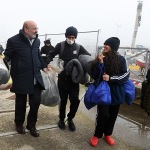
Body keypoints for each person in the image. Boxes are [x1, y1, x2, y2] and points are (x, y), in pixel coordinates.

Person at [4, 20, 48, 137]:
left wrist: (44, 65)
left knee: (36, 103)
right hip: (20, 78)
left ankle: (31, 125)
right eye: (34, 28)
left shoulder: (37, 40)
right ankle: (19, 123)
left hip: (35, 78)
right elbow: (6, 56)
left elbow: (38, 55)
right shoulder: (13, 41)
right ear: (26, 29)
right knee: (20, 104)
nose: (36, 30)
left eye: (36, 28)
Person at [47, 26, 91, 131]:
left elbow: (87, 58)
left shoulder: (79, 47)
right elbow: (51, 54)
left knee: (75, 100)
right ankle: (61, 119)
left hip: (74, 80)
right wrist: (47, 62)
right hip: (62, 79)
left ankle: (70, 119)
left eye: (73, 37)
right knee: (63, 101)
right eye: (69, 37)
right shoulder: (60, 45)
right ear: (66, 36)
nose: (71, 39)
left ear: (75, 37)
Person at [90, 37, 130, 147]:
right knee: (103, 114)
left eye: (107, 44)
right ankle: (97, 135)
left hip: (117, 92)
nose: (104, 46)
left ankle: (108, 134)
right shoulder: (101, 57)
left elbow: (126, 75)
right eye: (104, 44)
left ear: (113, 47)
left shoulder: (122, 59)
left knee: (113, 115)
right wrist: (100, 63)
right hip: (103, 92)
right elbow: (94, 75)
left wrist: (111, 78)